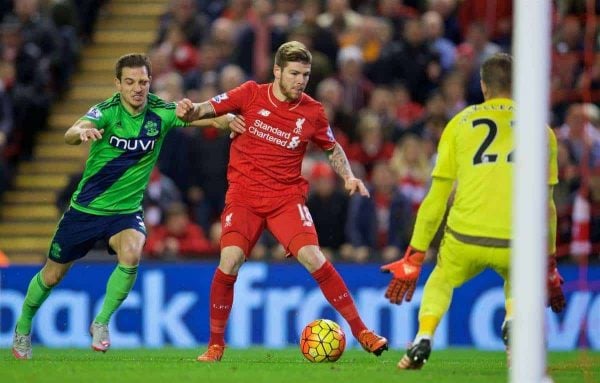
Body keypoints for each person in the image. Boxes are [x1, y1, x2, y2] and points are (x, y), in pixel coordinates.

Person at [11, 53, 237, 360]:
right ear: (118, 84)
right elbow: (71, 132)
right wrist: (82, 133)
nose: (137, 88)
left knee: (132, 252)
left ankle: (101, 322)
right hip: (86, 210)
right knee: (52, 276)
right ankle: (23, 327)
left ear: (150, 82)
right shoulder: (106, 111)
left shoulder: (161, 112)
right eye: (130, 82)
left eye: (143, 81)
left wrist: (226, 120)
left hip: (125, 212)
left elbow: (198, 118)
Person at [176, 41, 389, 362]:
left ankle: (363, 332)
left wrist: (348, 176)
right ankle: (216, 345)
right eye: (293, 73)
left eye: (305, 74)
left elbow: (332, 148)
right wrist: (188, 109)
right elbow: (205, 109)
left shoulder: (313, 112)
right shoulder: (249, 94)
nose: (300, 80)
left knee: (313, 257)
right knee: (229, 260)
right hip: (244, 198)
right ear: (277, 71)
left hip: (285, 199)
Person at [380, 53, 567, 370]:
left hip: (465, 235)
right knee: (518, 278)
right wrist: (548, 263)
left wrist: (414, 255)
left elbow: (436, 198)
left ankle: (423, 337)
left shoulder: (460, 124)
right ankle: (513, 321)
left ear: (483, 86)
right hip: (516, 238)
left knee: (441, 277)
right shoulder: (542, 130)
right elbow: (547, 206)